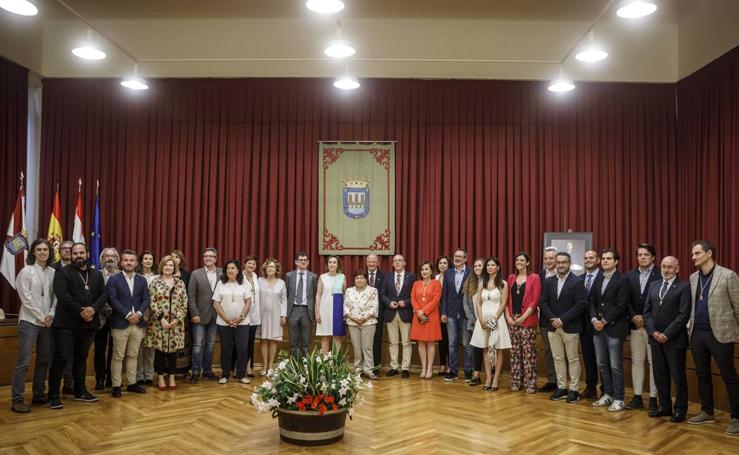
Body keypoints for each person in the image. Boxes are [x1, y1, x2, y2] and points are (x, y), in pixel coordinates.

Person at [686, 240, 739, 436]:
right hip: (697, 334)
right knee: (702, 374)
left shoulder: (728, 275)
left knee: (729, 376)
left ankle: (737, 417)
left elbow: (738, 306)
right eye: (693, 254)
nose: (693, 257)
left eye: (697, 253)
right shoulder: (693, 278)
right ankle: (707, 411)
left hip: (721, 334)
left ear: (709, 254)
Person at [47, 242, 107, 409]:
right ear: (71, 256)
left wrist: (93, 309)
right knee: (61, 359)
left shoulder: (96, 274)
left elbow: (103, 294)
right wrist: (82, 311)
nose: (78, 256)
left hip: (88, 325)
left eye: (81, 252)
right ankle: (53, 395)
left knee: (81, 359)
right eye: (75, 253)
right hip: (67, 324)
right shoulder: (62, 272)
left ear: (87, 254)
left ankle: (80, 391)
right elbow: (62, 295)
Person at [643, 256, 691, 423]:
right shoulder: (654, 285)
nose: (666, 270)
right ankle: (664, 407)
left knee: (678, 376)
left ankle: (680, 409)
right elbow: (647, 312)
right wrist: (653, 332)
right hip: (655, 338)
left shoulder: (684, 287)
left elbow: (683, 314)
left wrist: (666, 334)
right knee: (659, 375)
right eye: (663, 266)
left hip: (675, 340)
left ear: (677, 269)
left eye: (670, 267)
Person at [11, 239, 56, 413]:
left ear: (49, 252)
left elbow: (56, 297)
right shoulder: (26, 271)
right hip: (29, 322)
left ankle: (38, 394)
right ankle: (17, 398)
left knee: (44, 359)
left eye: (46, 249)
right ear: (34, 252)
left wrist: (51, 314)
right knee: (23, 361)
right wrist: (41, 316)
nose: (43, 252)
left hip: (48, 322)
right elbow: (26, 298)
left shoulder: (53, 272)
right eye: (39, 249)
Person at [539, 252, 587, 403]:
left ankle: (573, 389)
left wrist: (562, 320)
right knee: (557, 358)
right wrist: (553, 319)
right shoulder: (548, 281)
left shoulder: (577, 281)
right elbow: (543, 302)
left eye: (564, 262)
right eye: (559, 262)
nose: (561, 265)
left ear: (569, 263)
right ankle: (561, 388)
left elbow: (580, 304)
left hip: (570, 327)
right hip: (553, 327)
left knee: (572, 359)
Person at [589, 249, 629, 412]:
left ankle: (619, 398)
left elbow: (621, 305)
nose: (605, 261)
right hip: (598, 329)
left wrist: (604, 321)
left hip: (614, 329)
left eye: (608, 258)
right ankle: (608, 394)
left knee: (615, 365)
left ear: (616, 262)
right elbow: (591, 301)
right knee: (602, 364)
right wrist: (593, 320)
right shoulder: (599, 278)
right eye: (603, 258)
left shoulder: (622, 280)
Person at [106, 249, 150, 398]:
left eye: (132, 260)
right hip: (120, 323)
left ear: (136, 263)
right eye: (126, 260)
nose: (129, 263)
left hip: (138, 323)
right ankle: (116, 386)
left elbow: (146, 299)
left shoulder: (141, 280)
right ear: (121, 262)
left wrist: (138, 314)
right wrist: (127, 314)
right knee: (118, 356)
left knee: (133, 354)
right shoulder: (114, 279)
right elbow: (112, 300)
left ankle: (132, 383)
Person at [624, 243, 661, 412]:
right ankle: (637, 397)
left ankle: (654, 399)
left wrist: (646, 320)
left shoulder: (661, 274)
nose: (643, 257)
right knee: (637, 362)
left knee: (655, 364)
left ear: (653, 257)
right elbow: (626, 300)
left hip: (653, 327)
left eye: (646, 255)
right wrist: (633, 316)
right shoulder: (629, 276)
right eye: (640, 255)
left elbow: (663, 303)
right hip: (634, 326)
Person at [145, 256, 188, 391]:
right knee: (160, 353)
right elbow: (152, 302)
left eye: (170, 265)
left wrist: (176, 319)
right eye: (165, 265)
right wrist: (162, 319)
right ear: (161, 267)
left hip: (176, 325)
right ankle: (161, 378)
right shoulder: (155, 282)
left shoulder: (180, 283)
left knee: (172, 353)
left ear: (174, 267)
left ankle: (172, 377)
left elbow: (184, 303)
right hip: (159, 324)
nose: (168, 267)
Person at [471, 257, 511, 391]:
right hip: (482, 320)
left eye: (492, 265)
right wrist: (481, 319)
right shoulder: (482, 283)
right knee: (485, 348)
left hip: (497, 319)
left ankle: (496, 378)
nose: (489, 267)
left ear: (498, 267)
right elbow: (478, 303)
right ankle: (488, 377)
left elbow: (504, 303)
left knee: (498, 349)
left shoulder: (503, 284)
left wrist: (493, 319)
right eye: (488, 265)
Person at [213, 260, 253, 384]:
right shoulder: (221, 283)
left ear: (238, 270)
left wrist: (240, 317)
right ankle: (225, 374)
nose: (230, 270)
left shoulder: (244, 283)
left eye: (233, 268)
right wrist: (227, 319)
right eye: (228, 268)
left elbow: (248, 302)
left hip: (242, 323)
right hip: (224, 323)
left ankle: (241, 375)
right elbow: (215, 303)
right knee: (225, 350)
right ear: (225, 271)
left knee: (242, 349)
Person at [506, 252, 541, 394]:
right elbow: (506, 299)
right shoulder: (511, 278)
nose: (519, 262)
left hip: (527, 319)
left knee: (528, 353)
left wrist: (523, 317)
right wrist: (508, 317)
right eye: (517, 260)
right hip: (512, 319)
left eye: (522, 260)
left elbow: (535, 300)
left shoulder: (535, 278)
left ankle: (530, 383)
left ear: (527, 263)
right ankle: (516, 381)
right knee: (514, 352)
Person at [186, 248, 222, 383]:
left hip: (216, 315)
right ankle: (195, 372)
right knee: (198, 345)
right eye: (206, 256)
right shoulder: (196, 274)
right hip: (199, 316)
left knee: (211, 345)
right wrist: (194, 313)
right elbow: (191, 296)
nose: (208, 258)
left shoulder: (222, 272)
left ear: (215, 259)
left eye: (211, 256)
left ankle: (207, 371)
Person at [380, 254, 416, 378]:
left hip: (405, 313)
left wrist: (405, 302)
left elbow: (414, 295)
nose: (397, 262)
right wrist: (389, 302)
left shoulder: (411, 276)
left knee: (406, 342)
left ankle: (405, 368)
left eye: (400, 260)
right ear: (392, 264)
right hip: (391, 313)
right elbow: (382, 294)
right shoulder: (387, 277)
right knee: (392, 342)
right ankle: (394, 367)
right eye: (395, 261)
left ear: (404, 263)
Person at [441, 249, 471, 382]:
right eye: (455, 256)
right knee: (452, 344)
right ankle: (453, 371)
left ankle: (469, 371)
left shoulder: (471, 272)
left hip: (466, 313)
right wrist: (443, 312)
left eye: (460, 256)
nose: (457, 258)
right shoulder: (448, 273)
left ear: (465, 259)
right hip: (451, 313)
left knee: (466, 344)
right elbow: (445, 295)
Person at [344, 270, 380, 379]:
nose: (359, 280)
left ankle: (369, 370)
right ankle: (358, 369)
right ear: (354, 280)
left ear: (366, 279)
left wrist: (365, 318)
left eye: (362, 278)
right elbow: (345, 307)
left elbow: (374, 307)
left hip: (368, 322)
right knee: (357, 347)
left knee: (368, 347)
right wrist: (353, 318)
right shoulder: (349, 291)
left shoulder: (373, 291)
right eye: (357, 278)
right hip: (353, 323)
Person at [410, 261, 442, 379]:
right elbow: (412, 298)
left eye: (427, 269)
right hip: (418, 316)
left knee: (430, 342)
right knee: (421, 342)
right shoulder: (416, 283)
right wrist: (418, 311)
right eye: (422, 269)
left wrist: (424, 311)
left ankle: (430, 369)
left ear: (431, 271)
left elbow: (436, 299)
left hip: (431, 315)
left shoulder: (436, 283)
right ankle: (423, 368)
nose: (424, 271)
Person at [94, 247, 119, 391]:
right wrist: (108, 311)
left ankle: (111, 377)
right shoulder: (96, 275)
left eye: (113, 256)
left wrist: (116, 312)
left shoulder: (121, 275)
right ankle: (100, 378)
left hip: (117, 318)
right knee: (99, 350)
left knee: (114, 350)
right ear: (102, 259)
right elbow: (95, 296)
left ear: (117, 259)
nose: (109, 258)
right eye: (106, 256)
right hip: (100, 318)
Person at [285, 252, 318, 357]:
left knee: (305, 340)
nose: (303, 262)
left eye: (305, 260)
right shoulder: (289, 275)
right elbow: (286, 293)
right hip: (293, 309)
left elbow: (314, 293)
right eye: (301, 260)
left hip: (307, 311)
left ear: (308, 262)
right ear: (296, 262)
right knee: (293, 341)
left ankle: (305, 365)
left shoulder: (313, 277)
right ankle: (294, 364)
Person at [258, 258, 287, 374]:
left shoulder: (281, 283)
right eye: (268, 266)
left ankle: (270, 366)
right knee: (264, 340)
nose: (270, 268)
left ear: (276, 270)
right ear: (265, 269)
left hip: (276, 315)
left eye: (273, 267)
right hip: (262, 315)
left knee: (273, 340)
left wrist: (283, 315)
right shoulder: (259, 280)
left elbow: (284, 299)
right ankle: (264, 366)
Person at [580, 249, 602, 399]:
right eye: (586, 258)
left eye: (591, 257)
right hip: (583, 324)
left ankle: (607, 389)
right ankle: (591, 387)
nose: (588, 260)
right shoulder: (579, 278)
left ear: (598, 260)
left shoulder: (604, 277)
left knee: (603, 359)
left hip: (601, 324)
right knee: (588, 357)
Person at [537, 246, 559, 392]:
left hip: (562, 321)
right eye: (546, 258)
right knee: (548, 352)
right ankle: (552, 381)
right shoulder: (540, 275)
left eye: (551, 258)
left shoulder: (564, 273)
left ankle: (563, 382)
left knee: (562, 354)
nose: (548, 261)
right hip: (545, 320)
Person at [315, 255, 347, 353]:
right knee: (325, 336)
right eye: (330, 262)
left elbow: (345, 295)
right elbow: (318, 295)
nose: (332, 264)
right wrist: (317, 312)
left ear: (338, 265)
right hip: (324, 310)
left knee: (337, 336)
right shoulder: (322, 277)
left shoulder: (342, 277)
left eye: (334, 262)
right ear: (327, 264)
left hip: (338, 310)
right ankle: (325, 364)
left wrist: (345, 312)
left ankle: (336, 364)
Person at [135, 251, 157, 385]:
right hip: (138, 314)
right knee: (138, 346)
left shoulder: (158, 277)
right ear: (141, 261)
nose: (148, 261)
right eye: (146, 258)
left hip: (154, 316)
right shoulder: (136, 276)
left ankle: (149, 374)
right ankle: (139, 375)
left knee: (150, 347)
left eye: (151, 259)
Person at [463, 258, 485, 385]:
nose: (477, 268)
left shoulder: (490, 282)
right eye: (475, 266)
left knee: (489, 349)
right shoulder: (469, 282)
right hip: (474, 322)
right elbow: (465, 303)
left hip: (487, 322)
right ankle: (476, 375)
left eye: (480, 265)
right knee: (476, 348)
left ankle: (491, 376)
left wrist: (484, 320)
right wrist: (473, 320)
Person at [364, 254, 386, 370]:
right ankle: (365, 367)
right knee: (364, 342)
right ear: (366, 262)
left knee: (376, 340)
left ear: (378, 263)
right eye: (369, 261)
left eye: (373, 261)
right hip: (362, 315)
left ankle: (376, 366)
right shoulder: (361, 275)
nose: (371, 264)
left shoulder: (384, 276)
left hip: (378, 314)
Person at [242, 255, 260, 377]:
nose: (251, 266)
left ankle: (248, 367)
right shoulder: (240, 276)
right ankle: (238, 368)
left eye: (253, 264)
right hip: (242, 314)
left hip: (254, 314)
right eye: (249, 263)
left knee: (250, 342)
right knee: (240, 342)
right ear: (245, 264)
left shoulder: (255, 276)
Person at [435, 255, 451, 376]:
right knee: (441, 340)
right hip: (436, 312)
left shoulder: (452, 277)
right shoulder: (435, 278)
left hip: (449, 313)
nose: (442, 265)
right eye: (440, 263)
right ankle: (442, 364)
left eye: (445, 263)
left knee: (451, 339)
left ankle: (450, 365)